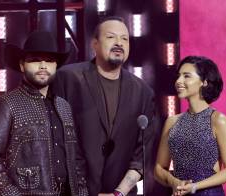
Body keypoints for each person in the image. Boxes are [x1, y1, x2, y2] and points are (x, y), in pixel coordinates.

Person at [53, 16, 158, 196]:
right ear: (94, 44)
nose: (119, 43)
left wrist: (119, 193)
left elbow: (142, 153)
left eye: (124, 39)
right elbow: (56, 140)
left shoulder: (143, 92)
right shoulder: (68, 79)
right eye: (111, 37)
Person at [0, 31, 88, 196]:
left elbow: (76, 159)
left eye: (50, 61)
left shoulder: (64, 106)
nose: (43, 66)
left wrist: (82, 191)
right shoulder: (8, 104)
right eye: (35, 60)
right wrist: (10, 193)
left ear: (56, 66)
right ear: (22, 65)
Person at [154, 56, 226, 195]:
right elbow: (159, 168)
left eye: (186, 76)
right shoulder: (172, 122)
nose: (178, 81)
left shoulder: (218, 120)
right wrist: (174, 182)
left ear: (204, 82)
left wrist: (195, 186)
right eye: (178, 76)